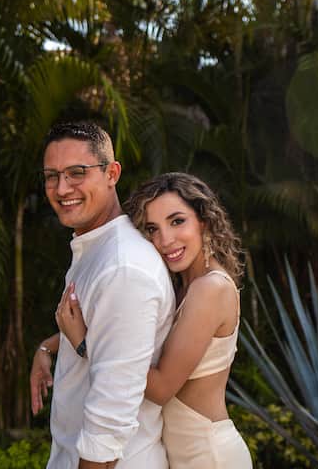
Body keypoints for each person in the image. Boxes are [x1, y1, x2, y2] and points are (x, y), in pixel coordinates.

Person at [58, 172, 253, 469]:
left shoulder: (210, 288)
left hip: (208, 456)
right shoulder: (184, 286)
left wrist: (86, 344)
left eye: (177, 221)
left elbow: (161, 388)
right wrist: (47, 348)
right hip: (184, 455)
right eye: (152, 228)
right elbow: (125, 331)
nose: (165, 240)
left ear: (204, 220)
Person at [29, 121, 175, 469]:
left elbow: (109, 420)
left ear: (112, 173)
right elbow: (104, 334)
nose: (62, 188)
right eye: (52, 176)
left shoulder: (123, 267)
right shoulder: (97, 250)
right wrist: (47, 347)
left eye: (77, 172)